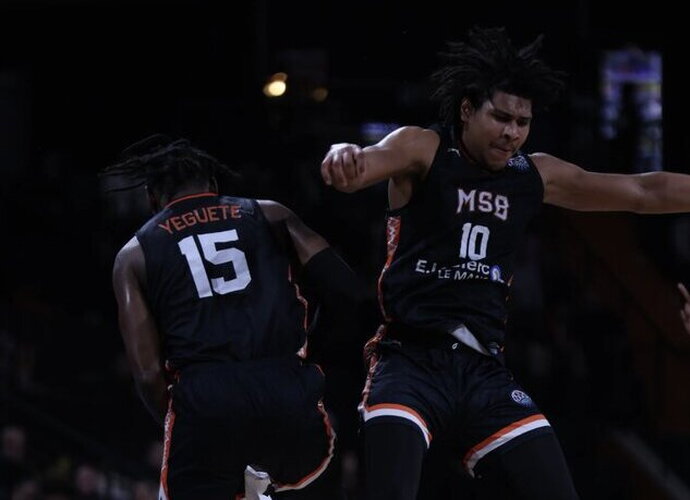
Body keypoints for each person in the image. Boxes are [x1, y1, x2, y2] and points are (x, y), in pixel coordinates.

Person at [320, 26, 690, 500]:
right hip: (408, 360)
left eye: (522, 122)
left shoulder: (532, 175)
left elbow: (641, 191)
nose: (512, 132)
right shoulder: (424, 149)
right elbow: (364, 164)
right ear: (467, 110)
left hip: (483, 369)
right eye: (500, 117)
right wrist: (343, 156)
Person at [102, 135, 357, 500]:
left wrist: (182, 419)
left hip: (205, 401)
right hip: (284, 387)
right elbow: (346, 292)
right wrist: (308, 359)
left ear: (151, 198)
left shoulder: (133, 255)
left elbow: (147, 373)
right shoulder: (269, 213)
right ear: (213, 184)